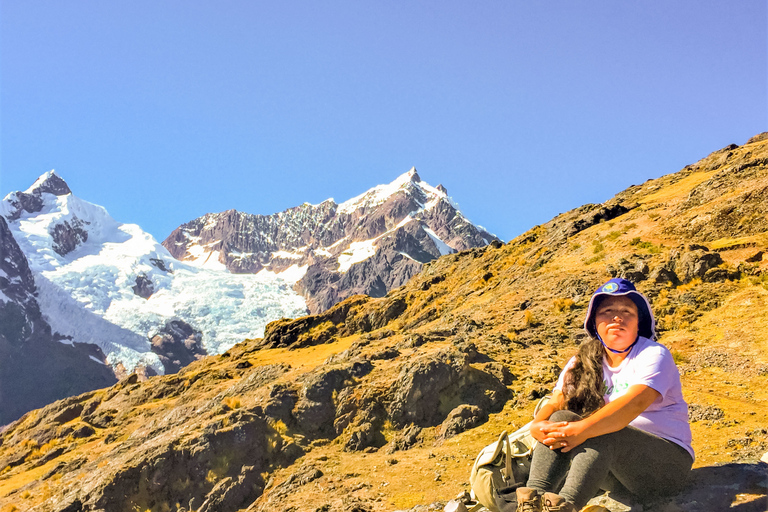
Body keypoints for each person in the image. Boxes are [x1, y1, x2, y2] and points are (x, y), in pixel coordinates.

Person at [515, 278, 694, 512]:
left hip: (664, 467)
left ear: (639, 323)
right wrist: (538, 424)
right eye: (607, 311)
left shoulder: (653, 354)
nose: (617, 318)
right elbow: (559, 400)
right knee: (560, 419)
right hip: (613, 471)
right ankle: (532, 500)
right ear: (595, 323)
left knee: (603, 429)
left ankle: (566, 505)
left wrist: (582, 429)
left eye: (626, 312)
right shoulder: (582, 361)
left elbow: (634, 403)